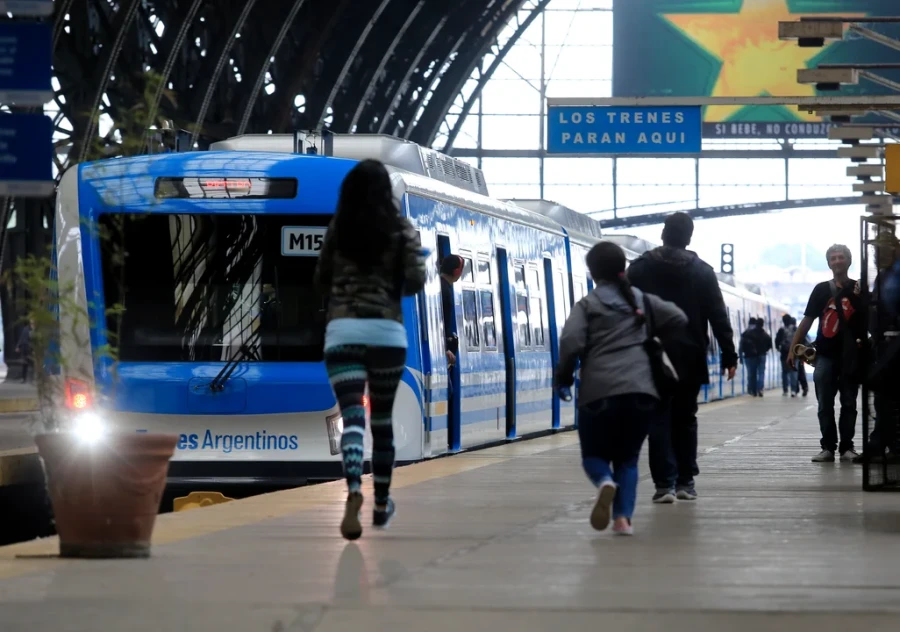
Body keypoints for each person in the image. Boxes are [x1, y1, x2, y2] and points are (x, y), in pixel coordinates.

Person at [314, 159, 427, 540]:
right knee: (381, 422)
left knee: (352, 418)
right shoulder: (401, 230)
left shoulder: (339, 229)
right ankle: (381, 504)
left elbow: (321, 279)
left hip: (343, 333)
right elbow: (416, 281)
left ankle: (353, 488)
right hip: (387, 336)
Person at [555, 241, 687, 535]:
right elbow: (679, 318)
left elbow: (571, 342)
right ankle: (622, 520)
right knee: (628, 459)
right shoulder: (642, 301)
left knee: (594, 456)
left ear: (592, 272)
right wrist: (649, 337)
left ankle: (604, 481)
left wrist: (563, 377)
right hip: (641, 392)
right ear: (623, 269)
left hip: (598, 392)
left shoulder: (588, 304)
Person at [627, 212, 737, 503]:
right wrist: (729, 354)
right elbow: (718, 316)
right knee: (686, 417)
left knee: (658, 417)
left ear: (663, 233)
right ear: (689, 238)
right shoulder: (702, 272)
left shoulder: (639, 269)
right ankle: (685, 482)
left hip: (650, 354)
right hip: (689, 354)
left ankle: (663, 484)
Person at [788, 244, 865, 463]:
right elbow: (807, 321)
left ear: (849, 261)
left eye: (841, 257)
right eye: (833, 258)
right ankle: (828, 448)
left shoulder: (859, 289)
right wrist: (793, 348)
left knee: (849, 403)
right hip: (826, 355)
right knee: (824, 403)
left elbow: (870, 318)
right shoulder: (821, 290)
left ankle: (847, 447)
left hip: (851, 356)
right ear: (829, 263)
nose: (837, 261)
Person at [775, 315, 800, 397]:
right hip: (794, 353)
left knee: (784, 372)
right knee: (794, 371)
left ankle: (785, 390)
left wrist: (778, 348)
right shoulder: (795, 329)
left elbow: (777, 341)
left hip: (784, 354)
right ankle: (793, 390)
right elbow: (801, 339)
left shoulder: (781, 330)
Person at [739, 318, 761, 397]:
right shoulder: (757, 332)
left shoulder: (745, 333)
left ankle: (750, 388)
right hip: (756, 356)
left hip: (747, 356)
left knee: (750, 373)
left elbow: (740, 346)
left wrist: (740, 357)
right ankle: (755, 389)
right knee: (755, 373)